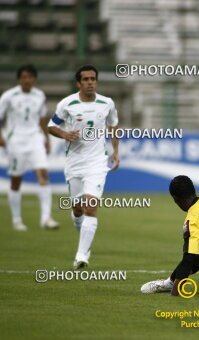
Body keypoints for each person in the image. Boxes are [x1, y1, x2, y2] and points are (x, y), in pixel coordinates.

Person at [48, 64, 119, 269]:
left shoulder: (107, 103)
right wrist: (65, 134)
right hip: (74, 163)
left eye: (93, 79)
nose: (90, 82)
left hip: (97, 162)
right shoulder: (67, 104)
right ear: (78, 83)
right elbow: (51, 126)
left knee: (90, 206)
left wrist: (115, 152)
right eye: (86, 79)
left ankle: (82, 256)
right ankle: (82, 233)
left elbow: (113, 126)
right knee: (78, 209)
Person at [0, 64, 59, 231]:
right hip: (16, 140)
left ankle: (46, 218)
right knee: (16, 180)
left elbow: (41, 118)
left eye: (30, 77)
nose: (27, 80)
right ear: (19, 79)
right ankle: (17, 219)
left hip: (35, 139)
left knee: (43, 174)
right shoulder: (9, 96)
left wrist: (46, 138)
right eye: (24, 77)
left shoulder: (39, 95)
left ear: (34, 79)